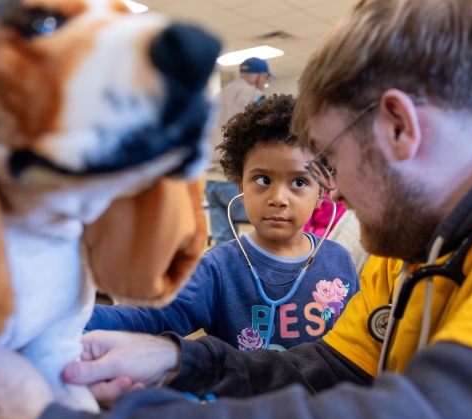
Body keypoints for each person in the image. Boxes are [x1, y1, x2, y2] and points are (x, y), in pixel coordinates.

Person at [0, 0, 472, 419]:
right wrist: (180, 357)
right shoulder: (415, 249)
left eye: (325, 163)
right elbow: (332, 369)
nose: (336, 192)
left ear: (399, 128)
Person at [86, 94, 359, 351]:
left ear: (321, 191)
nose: (278, 198)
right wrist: (74, 317)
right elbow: (149, 317)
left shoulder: (340, 261)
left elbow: (358, 341)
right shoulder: (217, 269)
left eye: (299, 182)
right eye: (262, 180)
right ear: (241, 185)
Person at [205, 57, 275, 244]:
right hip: (234, 181)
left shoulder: (218, 97)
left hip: (212, 182)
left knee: (223, 243)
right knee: (265, 235)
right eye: (266, 78)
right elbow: (263, 134)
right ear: (260, 76)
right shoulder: (253, 94)